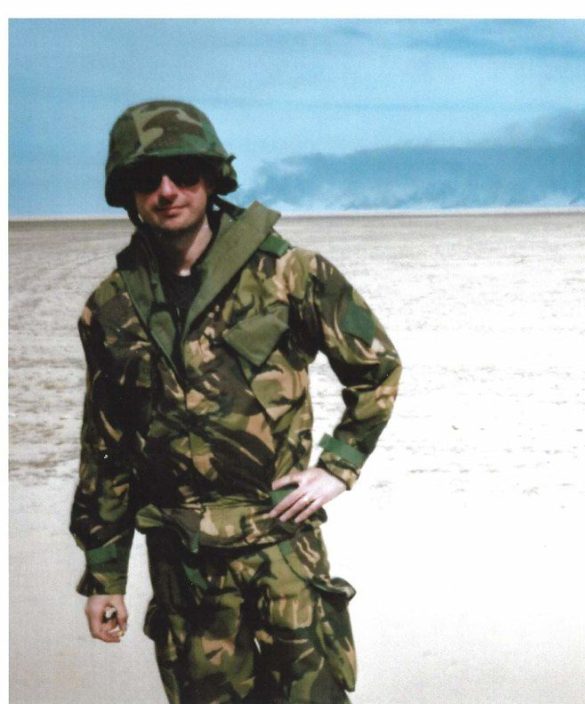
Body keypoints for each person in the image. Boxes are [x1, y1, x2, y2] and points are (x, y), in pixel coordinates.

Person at [70, 100, 402, 703]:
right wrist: (104, 575)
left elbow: (375, 367)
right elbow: (106, 447)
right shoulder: (111, 308)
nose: (167, 191)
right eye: (147, 179)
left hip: (282, 553)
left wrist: (337, 467)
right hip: (184, 571)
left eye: (183, 173)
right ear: (127, 192)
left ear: (212, 177)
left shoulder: (290, 273)